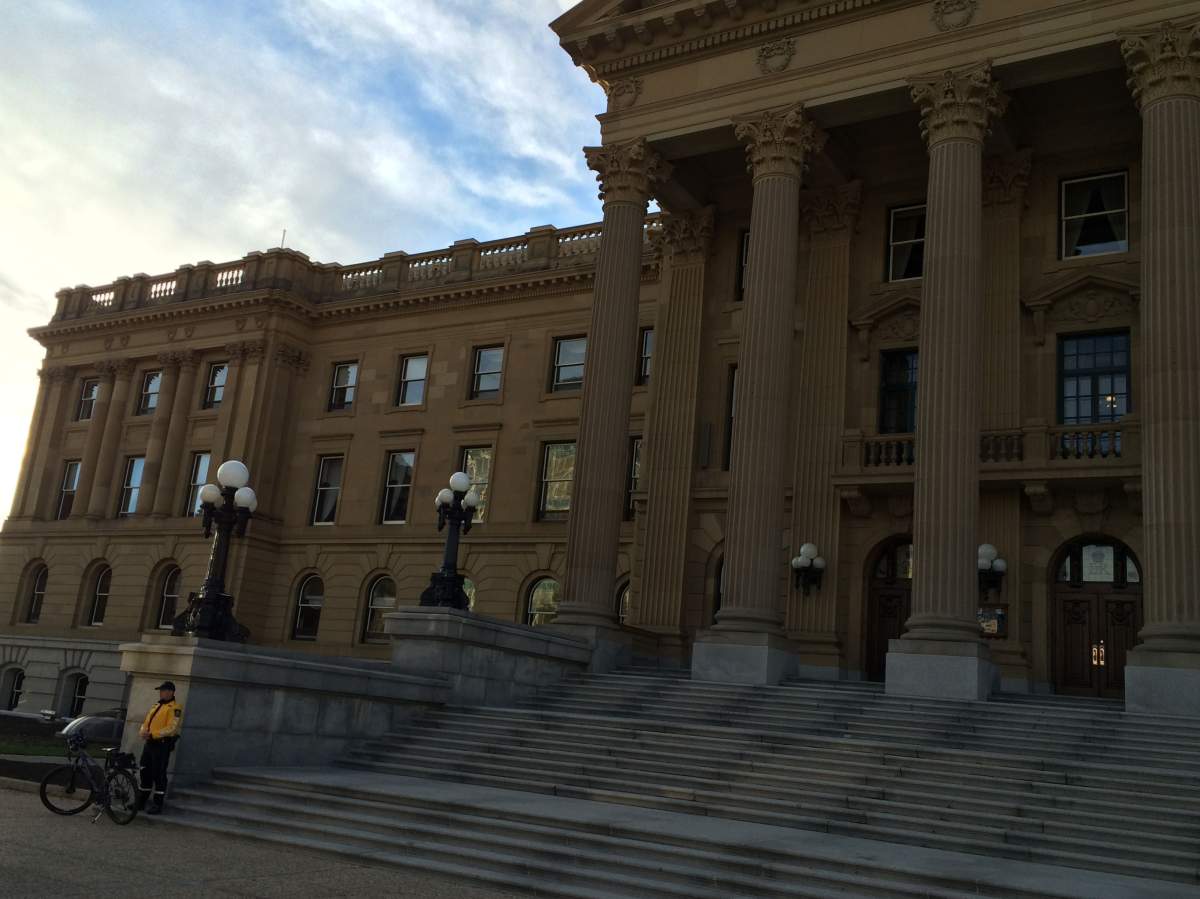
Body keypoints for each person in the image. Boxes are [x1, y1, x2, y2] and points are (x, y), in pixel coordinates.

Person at [137, 681, 183, 814]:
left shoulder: (175, 707)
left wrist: (153, 734)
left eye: (163, 690)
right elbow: (146, 722)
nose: (161, 693)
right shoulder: (156, 705)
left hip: (161, 744)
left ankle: (157, 804)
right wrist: (143, 732)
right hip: (149, 743)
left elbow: (171, 728)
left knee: (159, 773)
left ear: (171, 692)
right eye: (160, 690)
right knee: (145, 771)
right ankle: (141, 802)